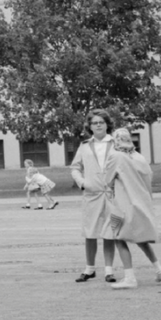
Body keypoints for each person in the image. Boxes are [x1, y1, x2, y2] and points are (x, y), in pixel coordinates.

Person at [101, 124, 161, 288]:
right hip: (141, 203)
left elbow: (107, 179)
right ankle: (159, 270)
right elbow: (148, 178)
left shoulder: (116, 156)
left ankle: (129, 277)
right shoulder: (139, 157)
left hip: (123, 204)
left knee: (118, 237)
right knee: (141, 239)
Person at [69, 110, 115, 281]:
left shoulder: (116, 143)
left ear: (107, 124)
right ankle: (89, 268)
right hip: (92, 193)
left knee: (109, 231)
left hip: (112, 193)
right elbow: (75, 167)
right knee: (90, 231)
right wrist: (83, 183)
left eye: (101, 122)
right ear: (90, 126)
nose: (98, 125)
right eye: (95, 123)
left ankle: (109, 270)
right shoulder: (85, 146)